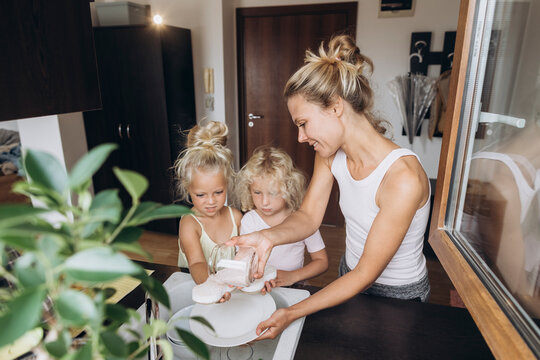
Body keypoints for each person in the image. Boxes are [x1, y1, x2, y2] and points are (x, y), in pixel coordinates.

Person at [227, 34, 431, 340]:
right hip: (347, 274)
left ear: (335, 107)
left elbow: (367, 273)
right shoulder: (330, 153)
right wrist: (265, 237)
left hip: (398, 298)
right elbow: (308, 217)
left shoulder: (402, 178)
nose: (300, 137)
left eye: (303, 123)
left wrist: (292, 312)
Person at [235, 146, 328, 293]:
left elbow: (322, 262)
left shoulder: (303, 221)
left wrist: (293, 276)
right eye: (257, 192)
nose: (264, 201)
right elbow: (244, 261)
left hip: (295, 286)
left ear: (289, 189)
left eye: (273, 193)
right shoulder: (249, 221)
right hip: (260, 287)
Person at [174, 121, 243, 297]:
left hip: (230, 290)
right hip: (198, 289)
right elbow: (197, 263)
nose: (211, 201)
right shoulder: (190, 223)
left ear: (227, 184)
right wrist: (213, 289)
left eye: (218, 192)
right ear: (188, 189)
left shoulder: (235, 217)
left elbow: (244, 256)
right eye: (201, 195)